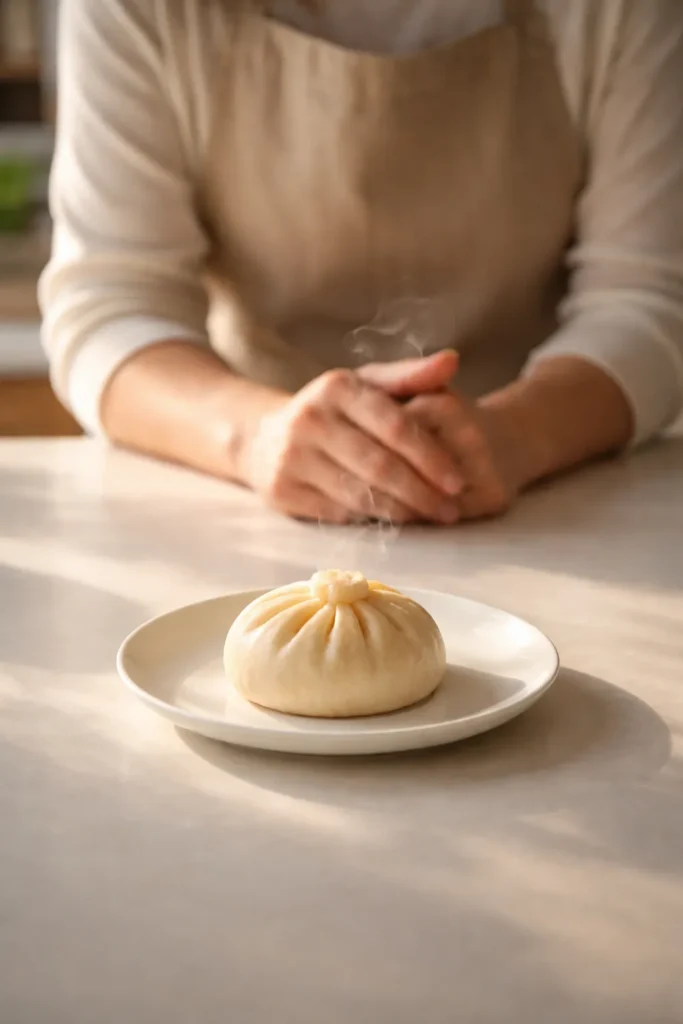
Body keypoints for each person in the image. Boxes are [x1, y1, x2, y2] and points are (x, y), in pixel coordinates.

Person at [41, 0, 683, 525]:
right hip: (238, 494)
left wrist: (515, 436)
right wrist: (258, 436)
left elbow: (647, 304)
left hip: (553, 493)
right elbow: (111, 308)